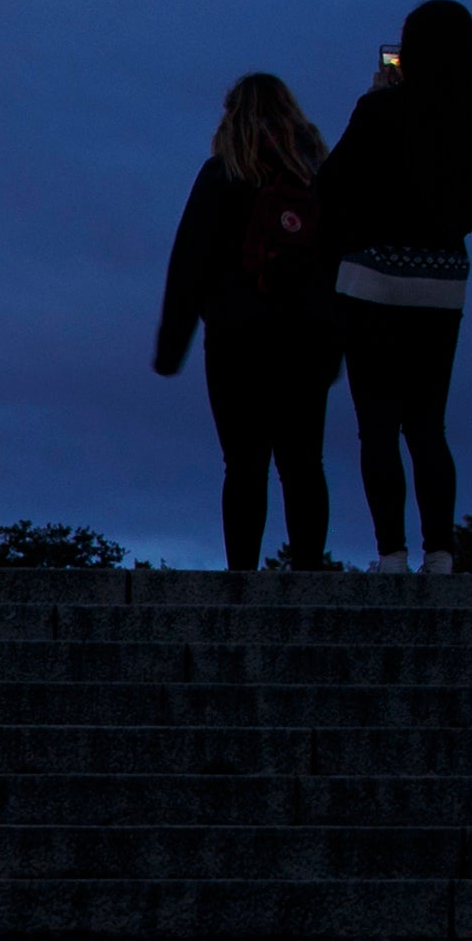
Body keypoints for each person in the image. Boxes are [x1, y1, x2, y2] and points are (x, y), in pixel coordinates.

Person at [318, 1, 472, 575]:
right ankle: (440, 550)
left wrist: (378, 99)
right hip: (442, 282)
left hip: (374, 277)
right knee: (427, 424)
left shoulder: (380, 109)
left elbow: (331, 184)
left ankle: (391, 552)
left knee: (377, 424)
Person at [152, 74, 344, 571]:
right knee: (304, 464)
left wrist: (171, 347)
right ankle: (308, 575)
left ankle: (242, 579)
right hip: (308, 338)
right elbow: (339, 261)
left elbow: (189, 262)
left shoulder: (221, 175)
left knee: (243, 465)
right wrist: (337, 340)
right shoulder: (319, 177)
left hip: (237, 338)